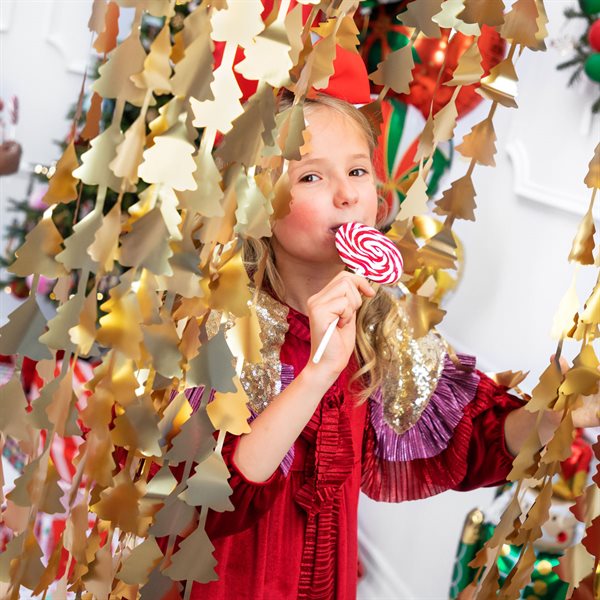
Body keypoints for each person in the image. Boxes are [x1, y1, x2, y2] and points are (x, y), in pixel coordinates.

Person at [167, 49, 600, 600]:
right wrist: (317, 372)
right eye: (310, 177)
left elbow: (473, 442)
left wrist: (556, 414)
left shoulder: (383, 326)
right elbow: (205, 505)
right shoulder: (217, 326)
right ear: (256, 203)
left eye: (356, 171)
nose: (346, 193)